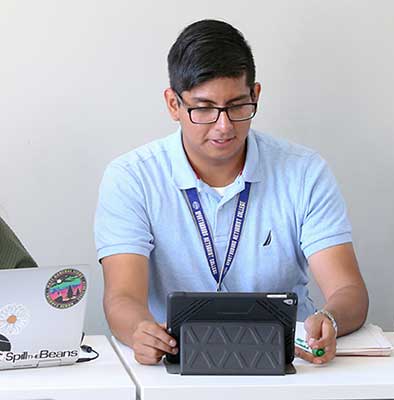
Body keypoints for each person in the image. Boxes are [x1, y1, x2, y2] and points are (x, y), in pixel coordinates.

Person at [94, 19, 368, 366]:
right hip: (177, 358)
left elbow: (348, 291)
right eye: (204, 108)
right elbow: (121, 298)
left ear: (255, 95)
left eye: (238, 106)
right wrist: (140, 331)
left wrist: (329, 320)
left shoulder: (303, 171)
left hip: (287, 360)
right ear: (173, 104)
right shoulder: (131, 177)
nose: (224, 126)